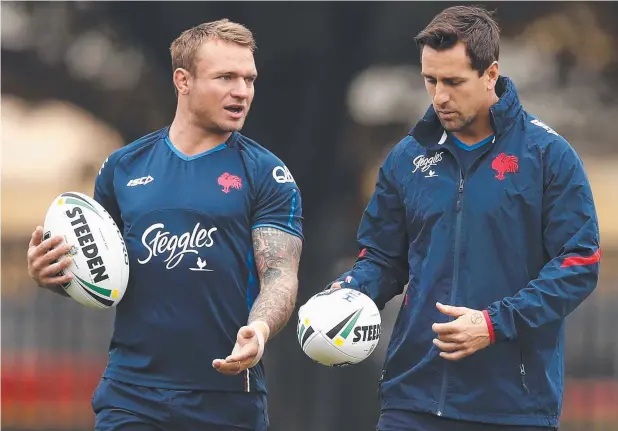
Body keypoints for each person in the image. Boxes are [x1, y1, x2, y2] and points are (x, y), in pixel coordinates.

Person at [328, 5, 600, 431]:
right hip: (411, 398)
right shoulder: (406, 158)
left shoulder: (548, 156)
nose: (439, 96)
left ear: (491, 75)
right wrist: (346, 295)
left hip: (512, 407)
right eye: (430, 80)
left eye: (453, 82)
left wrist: (494, 323)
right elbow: (382, 258)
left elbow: (579, 264)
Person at [26, 19, 303, 431]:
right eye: (226, 77)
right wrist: (53, 273)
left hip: (226, 397)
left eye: (249, 79)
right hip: (131, 393)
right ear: (183, 80)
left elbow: (280, 276)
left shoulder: (267, 174)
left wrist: (259, 330)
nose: (242, 91)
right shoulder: (123, 167)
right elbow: (101, 268)